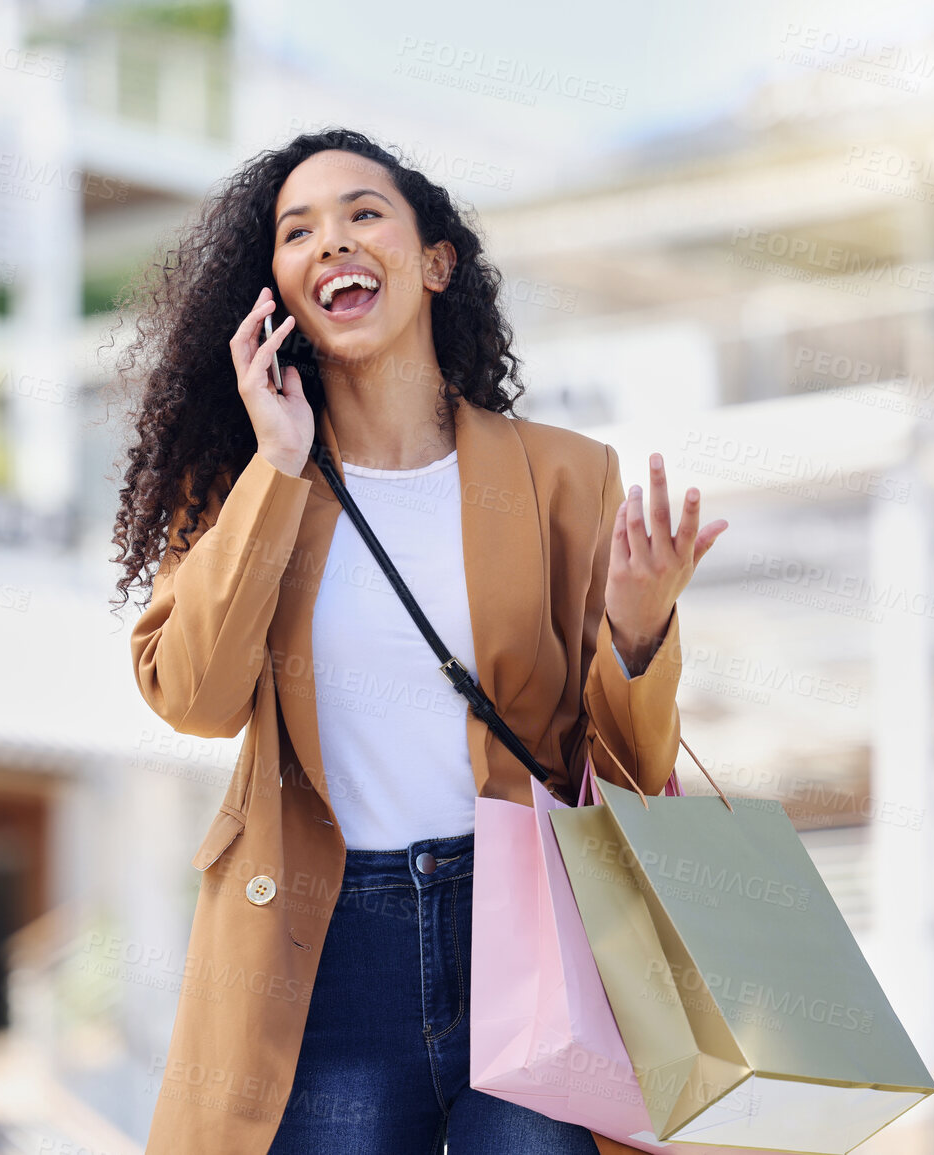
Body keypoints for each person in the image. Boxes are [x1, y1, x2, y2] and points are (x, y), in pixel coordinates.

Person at [109, 128, 727, 1155]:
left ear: (435, 262)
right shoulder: (243, 486)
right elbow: (193, 695)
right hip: (326, 947)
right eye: (296, 232)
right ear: (276, 291)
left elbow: (624, 768)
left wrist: (638, 626)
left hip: (530, 935)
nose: (331, 243)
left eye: (363, 215)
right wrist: (277, 464)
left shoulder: (565, 478)